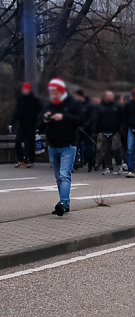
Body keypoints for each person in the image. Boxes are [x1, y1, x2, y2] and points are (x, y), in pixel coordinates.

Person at [38, 78, 82, 216]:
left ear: (61, 91)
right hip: (53, 145)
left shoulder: (73, 103)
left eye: (55, 91)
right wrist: (44, 120)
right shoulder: (49, 105)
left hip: (68, 145)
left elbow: (80, 120)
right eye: (51, 92)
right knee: (58, 177)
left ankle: (62, 203)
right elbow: (39, 126)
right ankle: (66, 203)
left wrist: (63, 117)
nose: (53, 94)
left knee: (64, 175)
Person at [10, 82, 42, 167]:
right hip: (22, 124)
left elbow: (40, 110)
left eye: (26, 89)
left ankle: (31, 160)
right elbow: (17, 112)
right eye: (24, 89)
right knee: (18, 141)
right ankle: (21, 159)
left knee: (31, 143)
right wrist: (12, 122)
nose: (25, 91)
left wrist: (35, 119)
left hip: (31, 124)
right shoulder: (20, 99)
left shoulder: (34, 99)